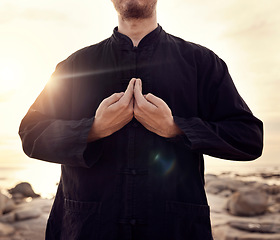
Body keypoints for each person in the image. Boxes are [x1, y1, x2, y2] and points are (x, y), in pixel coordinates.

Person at [19, 0, 263, 239]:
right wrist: (93, 129)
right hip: (86, 228)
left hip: (175, 230)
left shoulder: (203, 63)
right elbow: (31, 133)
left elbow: (250, 138)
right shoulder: (74, 66)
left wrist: (176, 128)